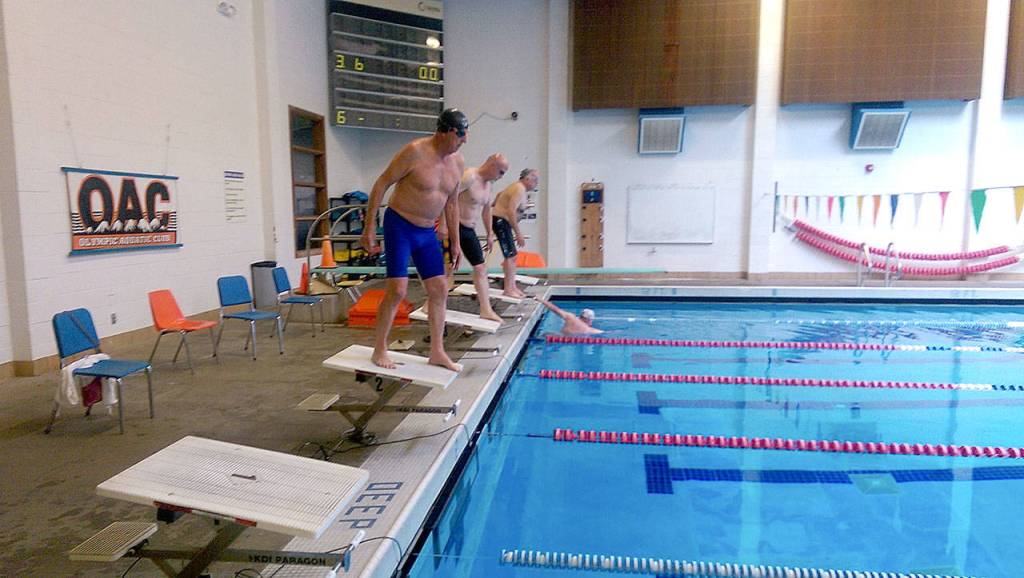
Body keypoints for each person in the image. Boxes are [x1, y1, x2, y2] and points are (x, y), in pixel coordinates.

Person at [360, 108, 468, 372]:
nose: (464, 141)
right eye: (462, 135)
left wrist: (455, 242)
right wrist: (368, 228)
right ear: (448, 132)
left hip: (426, 232)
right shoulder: (415, 152)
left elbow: (452, 205)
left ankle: (437, 351)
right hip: (400, 226)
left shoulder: (458, 163)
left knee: (439, 289)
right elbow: (382, 183)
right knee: (397, 290)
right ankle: (380, 348)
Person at [454, 153, 509, 322]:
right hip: (454, 226)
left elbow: (486, 210)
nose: (501, 177)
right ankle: (430, 304)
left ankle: (486, 309)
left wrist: (489, 233)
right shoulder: (469, 176)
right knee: (447, 270)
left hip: (469, 230)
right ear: (492, 165)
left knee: (480, 268)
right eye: (501, 172)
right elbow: (449, 200)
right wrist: (447, 230)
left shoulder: (488, 186)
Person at [491, 168, 539, 298]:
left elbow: (501, 194)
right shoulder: (519, 189)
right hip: (501, 222)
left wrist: (496, 204)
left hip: (502, 222)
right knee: (510, 256)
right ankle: (508, 288)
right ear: (527, 178)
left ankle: (512, 286)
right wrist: (518, 233)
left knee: (512, 256)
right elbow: (511, 211)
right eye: (534, 179)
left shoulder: (517, 187)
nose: (536, 182)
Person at [534, 297, 602, 335]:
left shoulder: (570, 317)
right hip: (568, 342)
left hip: (557, 337)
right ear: (588, 320)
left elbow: (555, 309)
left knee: (545, 334)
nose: (591, 322)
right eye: (591, 320)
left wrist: (539, 299)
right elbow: (600, 332)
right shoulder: (587, 329)